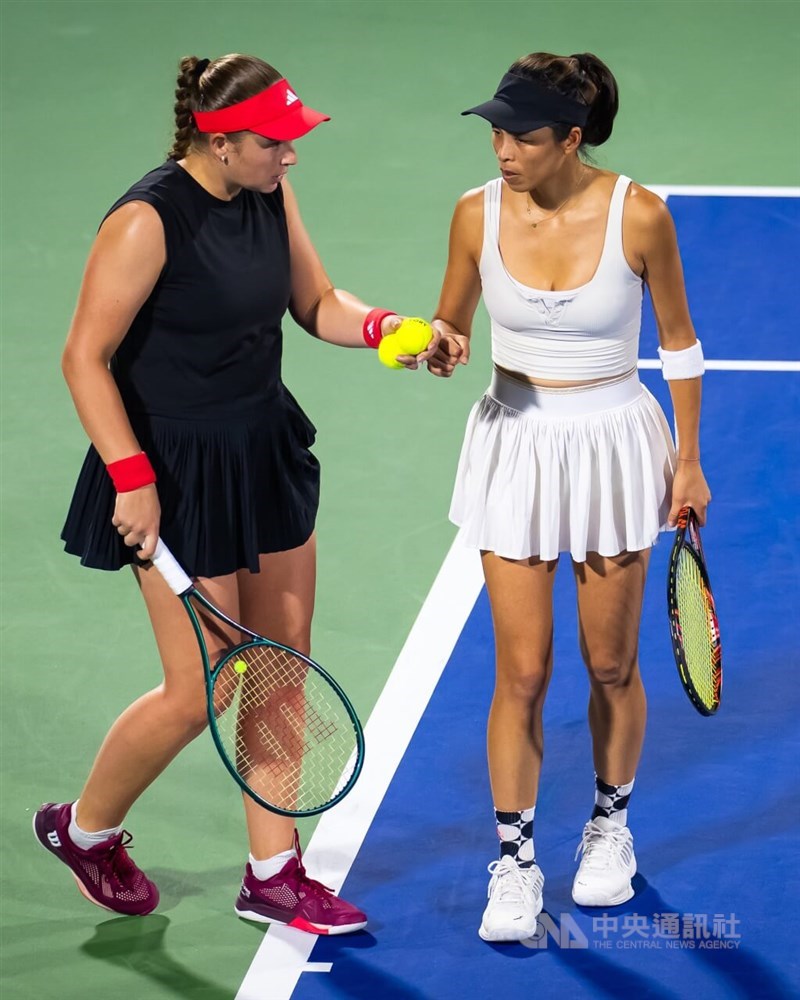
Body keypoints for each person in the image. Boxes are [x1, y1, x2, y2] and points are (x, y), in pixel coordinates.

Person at [34, 53, 436, 934]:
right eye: (274, 143)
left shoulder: (269, 196)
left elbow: (316, 300)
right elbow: (82, 357)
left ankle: (273, 872)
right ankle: (84, 829)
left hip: (262, 446)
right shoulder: (146, 221)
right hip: (173, 473)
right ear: (219, 142)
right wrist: (132, 479)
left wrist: (381, 331)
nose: (290, 157)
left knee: (283, 660)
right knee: (203, 690)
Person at [427, 52, 710, 942]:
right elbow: (453, 323)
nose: (504, 149)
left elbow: (681, 346)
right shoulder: (475, 214)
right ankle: (512, 862)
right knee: (521, 670)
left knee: (611, 665)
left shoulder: (642, 216)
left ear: (573, 138)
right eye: (498, 132)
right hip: (514, 444)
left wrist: (690, 462)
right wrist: (437, 344)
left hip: (615, 447)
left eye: (524, 135)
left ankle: (608, 829)